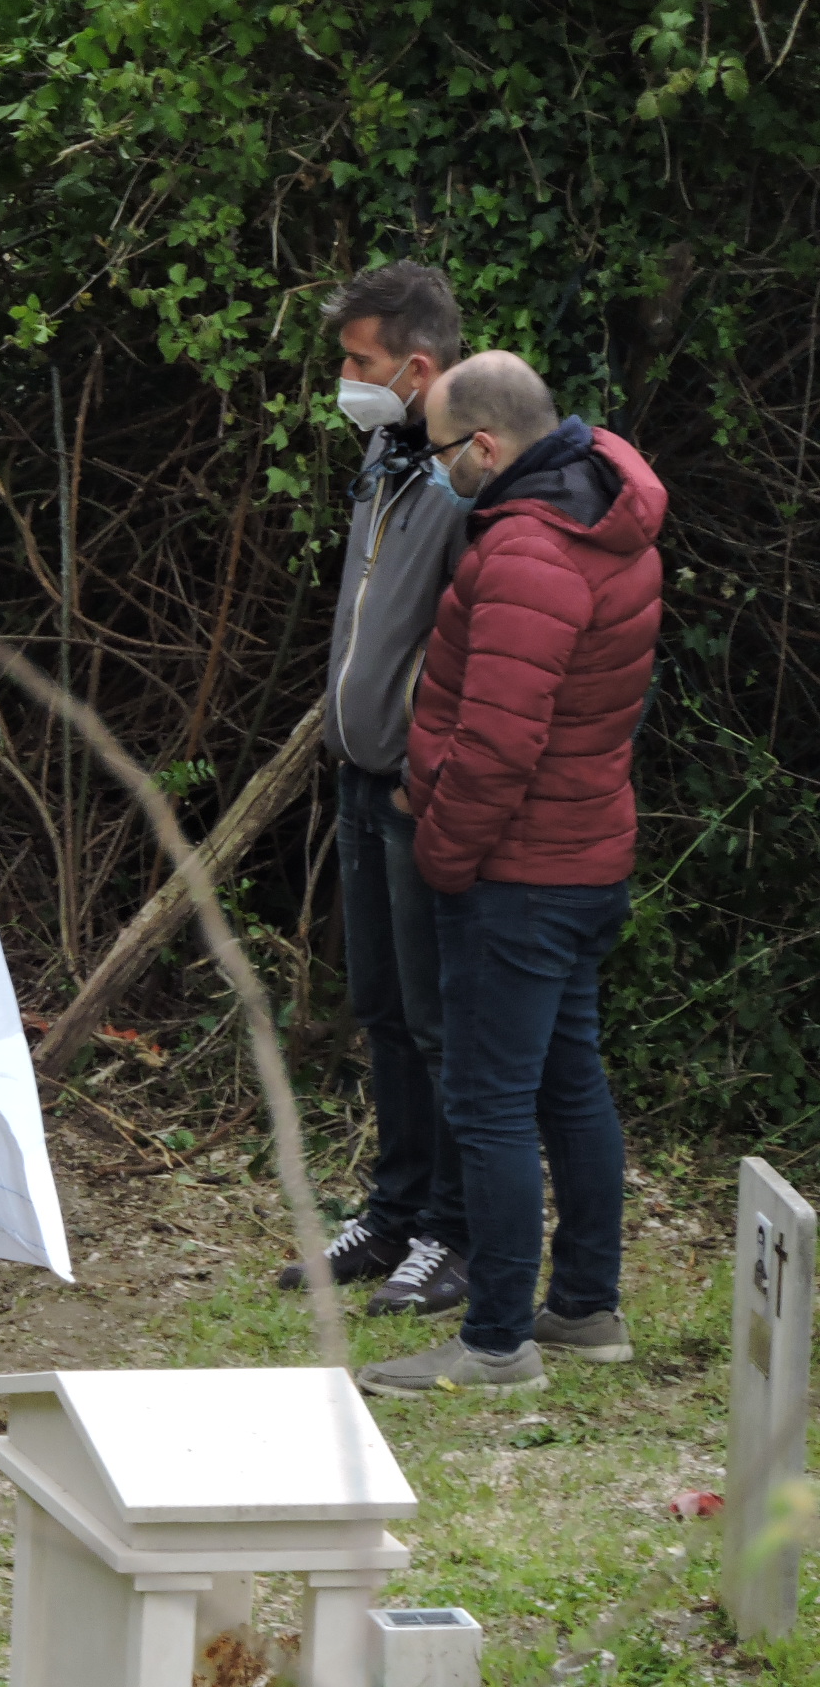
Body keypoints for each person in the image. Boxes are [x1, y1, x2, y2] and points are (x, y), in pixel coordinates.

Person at [356, 351, 665, 1398]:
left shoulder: (530, 554)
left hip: (517, 874)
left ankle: (494, 1340)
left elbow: (495, 746)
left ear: (484, 446)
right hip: (582, 858)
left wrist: (439, 852)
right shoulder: (602, 516)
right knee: (569, 1077)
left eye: (441, 451)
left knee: (489, 1104)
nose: (435, 469)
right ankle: (584, 1304)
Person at [282, 262, 471, 1314]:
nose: (343, 381)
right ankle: (393, 1210)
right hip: (358, 777)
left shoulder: (460, 477)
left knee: (438, 1021)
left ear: (415, 365)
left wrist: (423, 766)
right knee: (381, 1010)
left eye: (357, 363)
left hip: (413, 787)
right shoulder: (381, 458)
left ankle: (450, 1231)